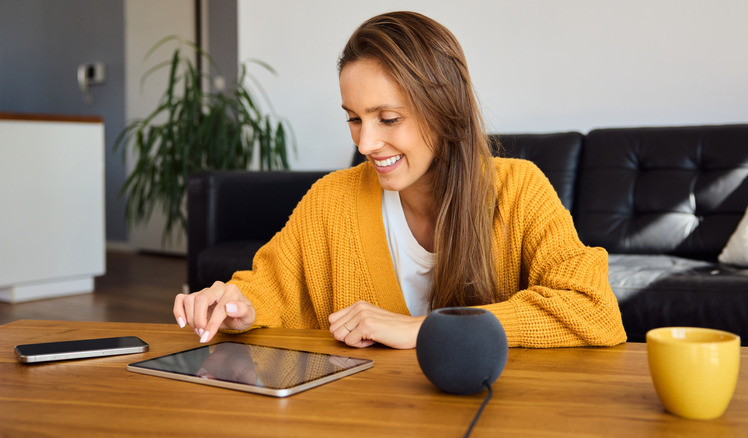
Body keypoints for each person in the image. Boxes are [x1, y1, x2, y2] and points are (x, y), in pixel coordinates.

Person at [173, 11, 627, 349]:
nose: (366, 142)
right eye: (353, 118)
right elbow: (271, 288)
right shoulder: (332, 199)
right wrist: (237, 305)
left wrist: (427, 328)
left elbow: (595, 311)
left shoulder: (519, 189)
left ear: (445, 109)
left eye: (387, 118)